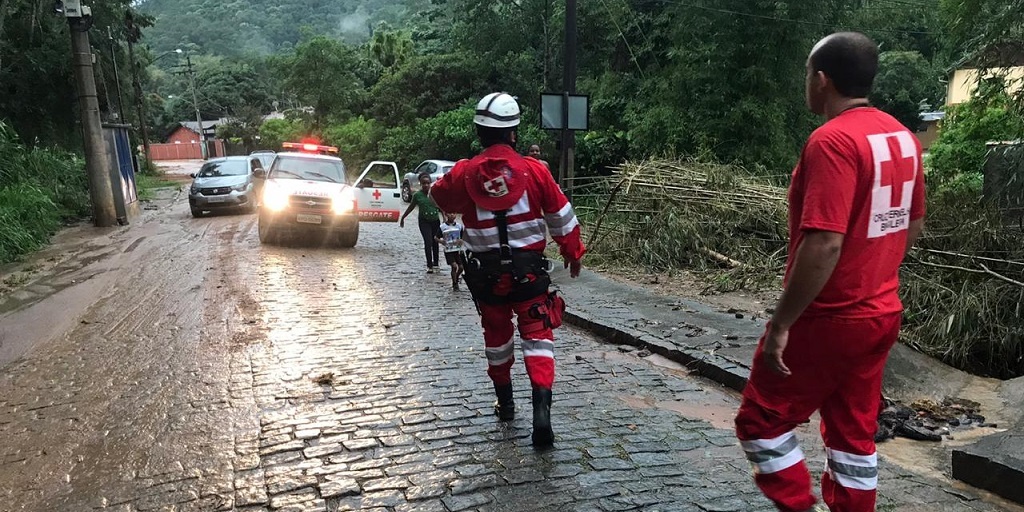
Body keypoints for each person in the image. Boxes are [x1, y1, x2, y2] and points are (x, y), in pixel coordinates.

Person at [733, 32, 926, 512]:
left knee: (761, 421)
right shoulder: (901, 136)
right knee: (852, 437)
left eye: (807, 74)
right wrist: (875, 269)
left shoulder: (832, 141)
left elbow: (824, 241)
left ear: (822, 80)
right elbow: (913, 221)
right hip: (882, 312)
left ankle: (800, 505)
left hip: (829, 317)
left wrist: (782, 323)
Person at [430, 92, 585, 448]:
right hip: (530, 276)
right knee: (538, 336)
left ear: (479, 131)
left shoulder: (464, 174)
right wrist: (572, 253)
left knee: (497, 340)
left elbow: (441, 197)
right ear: (513, 133)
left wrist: (464, 171)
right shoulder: (535, 171)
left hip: (487, 279)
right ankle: (542, 412)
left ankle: (506, 403)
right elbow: (562, 219)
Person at [400, 172, 442, 273]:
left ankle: (436, 263)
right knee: (428, 242)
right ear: (420, 184)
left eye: (428, 183)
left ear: (430, 183)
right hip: (424, 221)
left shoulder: (435, 194)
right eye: (423, 183)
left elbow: (441, 206)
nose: (426, 185)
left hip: (435, 221)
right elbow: (411, 207)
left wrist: (445, 217)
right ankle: (429, 265)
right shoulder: (417, 195)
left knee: (435, 242)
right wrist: (403, 217)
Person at [437, 212, 466, 291]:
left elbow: (463, 236)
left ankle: (456, 277)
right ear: (446, 215)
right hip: (449, 250)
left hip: (457, 250)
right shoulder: (443, 227)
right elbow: (436, 237)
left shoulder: (459, 226)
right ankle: (455, 283)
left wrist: (461, 240)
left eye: (453, 213)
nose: (452, 215)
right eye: (450, 213)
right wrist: (441, 241)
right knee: (454, 266)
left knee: (461, 267)